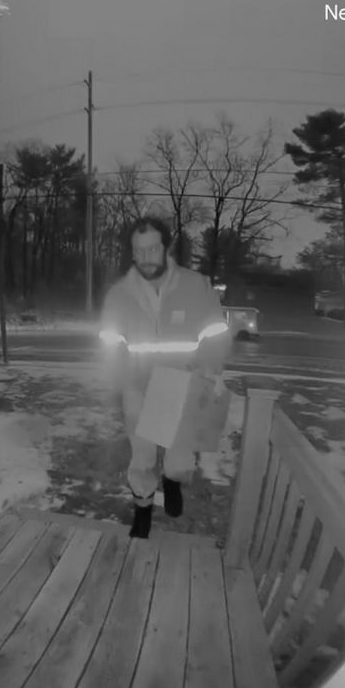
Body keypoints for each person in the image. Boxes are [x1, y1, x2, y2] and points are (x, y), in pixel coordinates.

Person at [99, 217, 232, 539]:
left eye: (153, 249)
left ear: (166, 247)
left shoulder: (196, 285)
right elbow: (110, 343)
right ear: (131, 252)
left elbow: (216, 333)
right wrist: (118, 382)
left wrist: (210, 368)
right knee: (142, 458)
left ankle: (172, 482)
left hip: (182, 384)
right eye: (138, 250)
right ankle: (142, 509)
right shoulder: (119, 294)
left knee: (178, 459)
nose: (146, 257)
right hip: (138, 387)